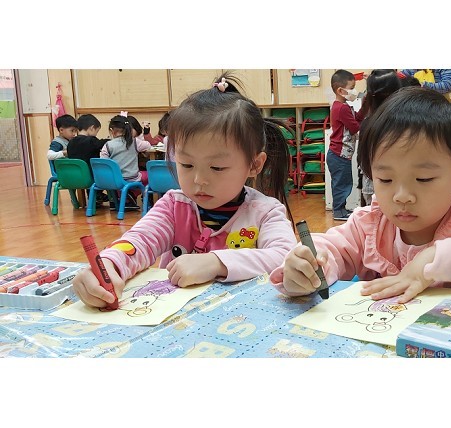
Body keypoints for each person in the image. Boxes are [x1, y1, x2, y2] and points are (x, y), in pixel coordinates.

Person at [270, 87, 451, 303]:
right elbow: (331, 248)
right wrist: (307, 268)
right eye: (385, 179)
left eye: (423, 179)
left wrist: (439, 259)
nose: (402, 196)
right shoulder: (370, 225)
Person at [72, 73, 297, 310]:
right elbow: (139, 241)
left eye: (217, 167)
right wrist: (110, 264)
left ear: (254, 165)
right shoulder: (173, 206)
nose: (199, 180)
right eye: (187, 165)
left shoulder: (265, 212)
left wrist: (216, 262)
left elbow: (283, 257)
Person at [358, 69, 401, 206]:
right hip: (395, 187)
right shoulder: (403, 123)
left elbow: (362, 160)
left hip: (374, 185)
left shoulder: (368, 123)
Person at [328, 69, 366, 221]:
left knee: (342, 182)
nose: (354, 91)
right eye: (351, 88)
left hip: (339, 154)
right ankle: (339, 211)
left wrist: (364, 106)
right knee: (342, 184)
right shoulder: (342, 108)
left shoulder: (341, 106)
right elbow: (355, 127)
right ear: (340, 90)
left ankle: (341, 208)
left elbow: (356, 119)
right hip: (339, 153)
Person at [99, 113, 152, 210]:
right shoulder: (134, 142)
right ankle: (140, 198)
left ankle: (124, 196)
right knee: (149, 175)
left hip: (114, 179)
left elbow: (104, 161)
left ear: (112, 130)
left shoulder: (108, 145)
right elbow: (148, 145)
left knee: (123, 179)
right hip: (132, 178)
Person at [66, 114, 110, 204]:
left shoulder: (71, 142)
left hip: (74, 176)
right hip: (90, 177)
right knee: (101, 170)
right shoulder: (91, 140)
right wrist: (112, 140)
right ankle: (99, 195)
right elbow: (102, 143)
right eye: (97, 131)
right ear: (92, 128)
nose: (96, 134)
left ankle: (96, 196)